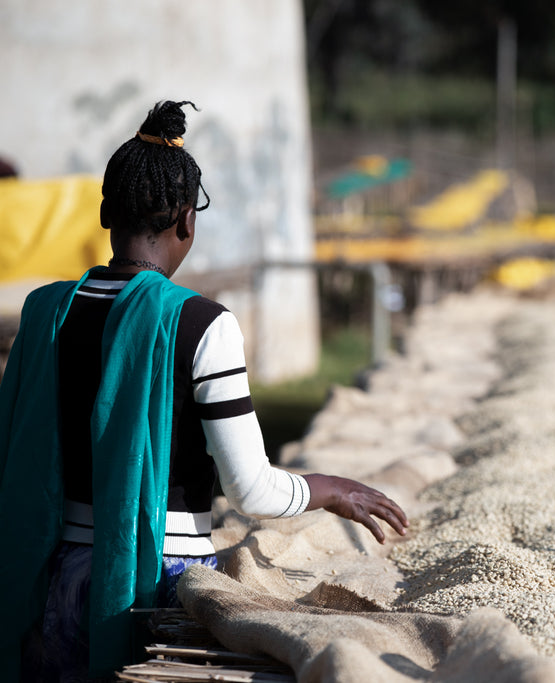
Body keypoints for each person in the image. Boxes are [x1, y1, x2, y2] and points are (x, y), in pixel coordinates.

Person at [0, 100, 408, 681]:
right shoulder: (200, 325)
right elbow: (252, 491)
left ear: (103, 213)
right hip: (149, 591)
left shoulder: (43, 312)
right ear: (187, 220)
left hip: (45, 584)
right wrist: (329, 488)